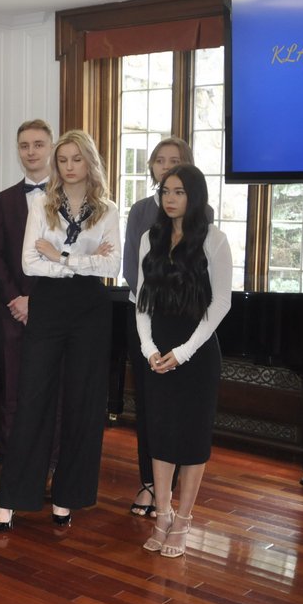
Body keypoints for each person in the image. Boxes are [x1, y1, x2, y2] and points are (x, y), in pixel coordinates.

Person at [0, 130, 121, 532]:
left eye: (76, 159)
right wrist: (83, 259)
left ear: (90, 162)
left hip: (90, 310)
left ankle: (67, 497)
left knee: (82, 403)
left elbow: (111, 267)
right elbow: (30, 263)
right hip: (47, 305)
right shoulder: (41, 205)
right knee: (33, 398)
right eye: (62, 160)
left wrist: (61, 256)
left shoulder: (108, 210)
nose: (68, 167)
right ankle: (11, 500)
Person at [135, 165, 231, 557]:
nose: (170, 198)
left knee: (192, 439)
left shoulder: (214, 239)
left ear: (195, 196)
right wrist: (148, 348)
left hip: (197, 352)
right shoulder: (150, 237)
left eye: (179, 191)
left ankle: (184, 520)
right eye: (165, 191)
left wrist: (184, 352)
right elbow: (142, 300)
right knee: (160, 436)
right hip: (159, 352)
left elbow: (221, 303)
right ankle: (162, 515)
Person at [121, 137, 207, 518]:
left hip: (186, 322)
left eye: (175, 160)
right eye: (159, 160)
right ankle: (150, 484)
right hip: (146, 319)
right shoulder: (141, 211)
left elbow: (203, 273)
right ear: (153, 168)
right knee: (150, 407)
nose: (166, 166)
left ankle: (173, 494)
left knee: (184, 410)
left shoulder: (204, 214)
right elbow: (131, 266)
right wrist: (153, 310)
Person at [0, 119, 53, 493]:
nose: (31, 151)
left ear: (50, 147)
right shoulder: (3, 200)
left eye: (38, 144)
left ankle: (49, 466)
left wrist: (37, 301)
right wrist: (16, 299)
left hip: (54, 311)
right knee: (10, 392)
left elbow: (70, 256)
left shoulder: (67, 198)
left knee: (52, 392)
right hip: (10, 312)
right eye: (25, 145)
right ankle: (9, 467)